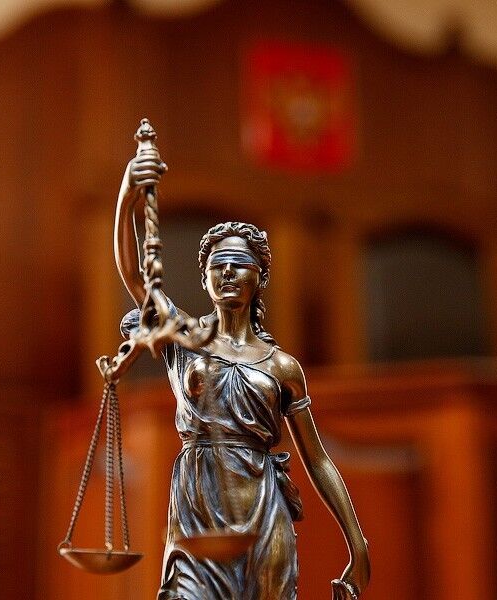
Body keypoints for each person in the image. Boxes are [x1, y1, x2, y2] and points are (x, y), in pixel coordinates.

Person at [114, 152, 370, 600]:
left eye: (239, 262)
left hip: (263, 509)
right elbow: (134, 274)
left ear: (260, 277)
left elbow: (318, 460)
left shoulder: (281, 367)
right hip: (198, 505)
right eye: (218, 265)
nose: (228, 271)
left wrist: (357, 543)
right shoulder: (184, 337)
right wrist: (127, 195)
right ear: (205, 279)